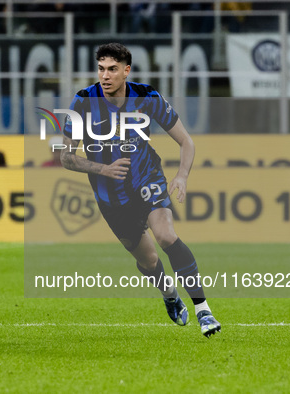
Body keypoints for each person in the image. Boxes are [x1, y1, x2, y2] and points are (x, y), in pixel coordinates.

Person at [60, 43, 221, 338]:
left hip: (147, 179)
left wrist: (182, 176)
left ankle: (203, 310)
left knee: (166, 236)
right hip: (110, 196)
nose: (105, 76)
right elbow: (66, 157)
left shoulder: (147, 97)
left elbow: (187, 142)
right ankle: (170, 294)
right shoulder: (83, 101)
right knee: (147, 260)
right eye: (100, 69)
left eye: (111, 69)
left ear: (126, 71)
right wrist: (102, 169)